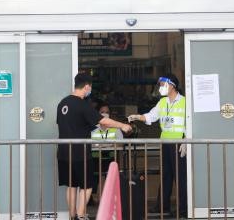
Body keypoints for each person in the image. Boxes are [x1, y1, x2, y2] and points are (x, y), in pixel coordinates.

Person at [57, 73, 132, 220]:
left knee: (71, 185)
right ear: (86, 86)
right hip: (80, 153)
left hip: (63, 152)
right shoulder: (82, 105)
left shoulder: (62, 103)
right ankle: (80, 216)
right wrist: (122, 125)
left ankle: (72, 216)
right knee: (87, 185)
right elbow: (103, 121)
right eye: (90, 87)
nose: (90, 90)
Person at [128, 74, 187, 218]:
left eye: (162, 85)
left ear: (172, 85)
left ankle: (183, 208)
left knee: (180, 177)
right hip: (165, 143)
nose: (160, 87)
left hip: (179, 144)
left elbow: (191, 122)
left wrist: (187, 140)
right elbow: (151, 116)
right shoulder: (162, 102)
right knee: (166, 175)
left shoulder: (185, 102)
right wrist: (137, 117)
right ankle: (162, 205)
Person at [90, 102, 123, 202]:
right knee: (93, 178)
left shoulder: (115, 127)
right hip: (95, 159)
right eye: (102, 112)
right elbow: (87, 144)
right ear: (97, 113)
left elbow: (121, 144)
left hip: (110, 159)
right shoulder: (92, 128)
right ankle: (94, 197)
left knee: (109, 177)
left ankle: (107, 199)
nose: (105, 114)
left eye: (107, 112)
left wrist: (111, 145)